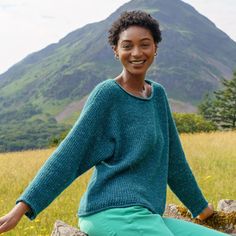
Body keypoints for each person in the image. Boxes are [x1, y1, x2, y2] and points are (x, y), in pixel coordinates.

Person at [0, 10, 228, 236]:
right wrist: (21, 208)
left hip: (147, 215)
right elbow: (69, 154)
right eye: (127, 46)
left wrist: (202, 209)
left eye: (145, 44)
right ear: (116, 51)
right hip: (109, 213)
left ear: (155, 48)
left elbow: (174, 161)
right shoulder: (107, 94)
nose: (136, 52)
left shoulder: (158, 95)